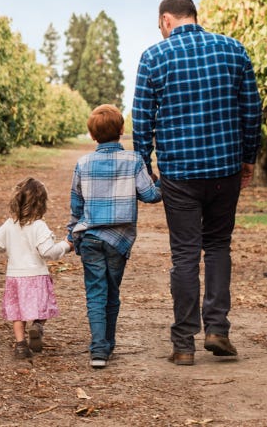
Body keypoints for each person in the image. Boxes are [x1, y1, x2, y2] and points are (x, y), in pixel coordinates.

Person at [132, 0, 262, 366]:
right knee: (219, 245)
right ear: (194, 15)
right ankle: (218, 330)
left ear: (166, 21)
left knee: (185, 254)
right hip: (224, 169)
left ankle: (184, 344)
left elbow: (142, 121)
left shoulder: (154, 57)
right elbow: (251, 111)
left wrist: (145, 166)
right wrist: (247, 159)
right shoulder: (234, 50)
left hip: (180, 173)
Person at [67, 104, 162, 368]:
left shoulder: (83, 163)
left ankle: (99, 349)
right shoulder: (133, 161)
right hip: (119, 240)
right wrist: (161, 181)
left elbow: (76, 204)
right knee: (112, 292)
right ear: (122, 130)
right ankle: (108, 343)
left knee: (95, 292)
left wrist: (71, 235)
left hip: (90, 239)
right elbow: (151, 195)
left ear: (92, 135)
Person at [0, 177, 72, 359]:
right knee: (42, 306)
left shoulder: (9, 224)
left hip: (15, 277)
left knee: (17, 312)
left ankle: (20, 345)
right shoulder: (39, 226)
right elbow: (48, 252)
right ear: (41, 203)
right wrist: (66, 245)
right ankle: (37, 326)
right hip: (36, 275)